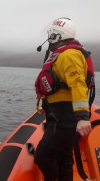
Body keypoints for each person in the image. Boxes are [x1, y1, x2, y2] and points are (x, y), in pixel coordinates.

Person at [34, 17, 95, 181]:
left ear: (56, 35)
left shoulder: (68, 55)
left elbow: (78, 84)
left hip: (65, 118)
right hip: (60, 115)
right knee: (63, 158)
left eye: (50, 34)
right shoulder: (63, 54)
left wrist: (82, 118)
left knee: (43, 156)